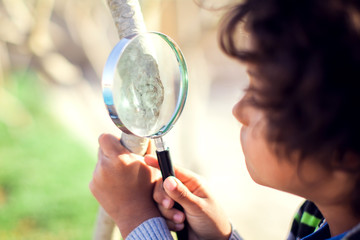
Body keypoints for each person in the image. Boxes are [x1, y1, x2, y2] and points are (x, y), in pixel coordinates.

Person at [89, 0, 360, 239]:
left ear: (346, 153)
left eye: (258, 94)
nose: (238, 111)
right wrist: (221, 237)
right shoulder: (315, 215)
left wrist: (134, 217)